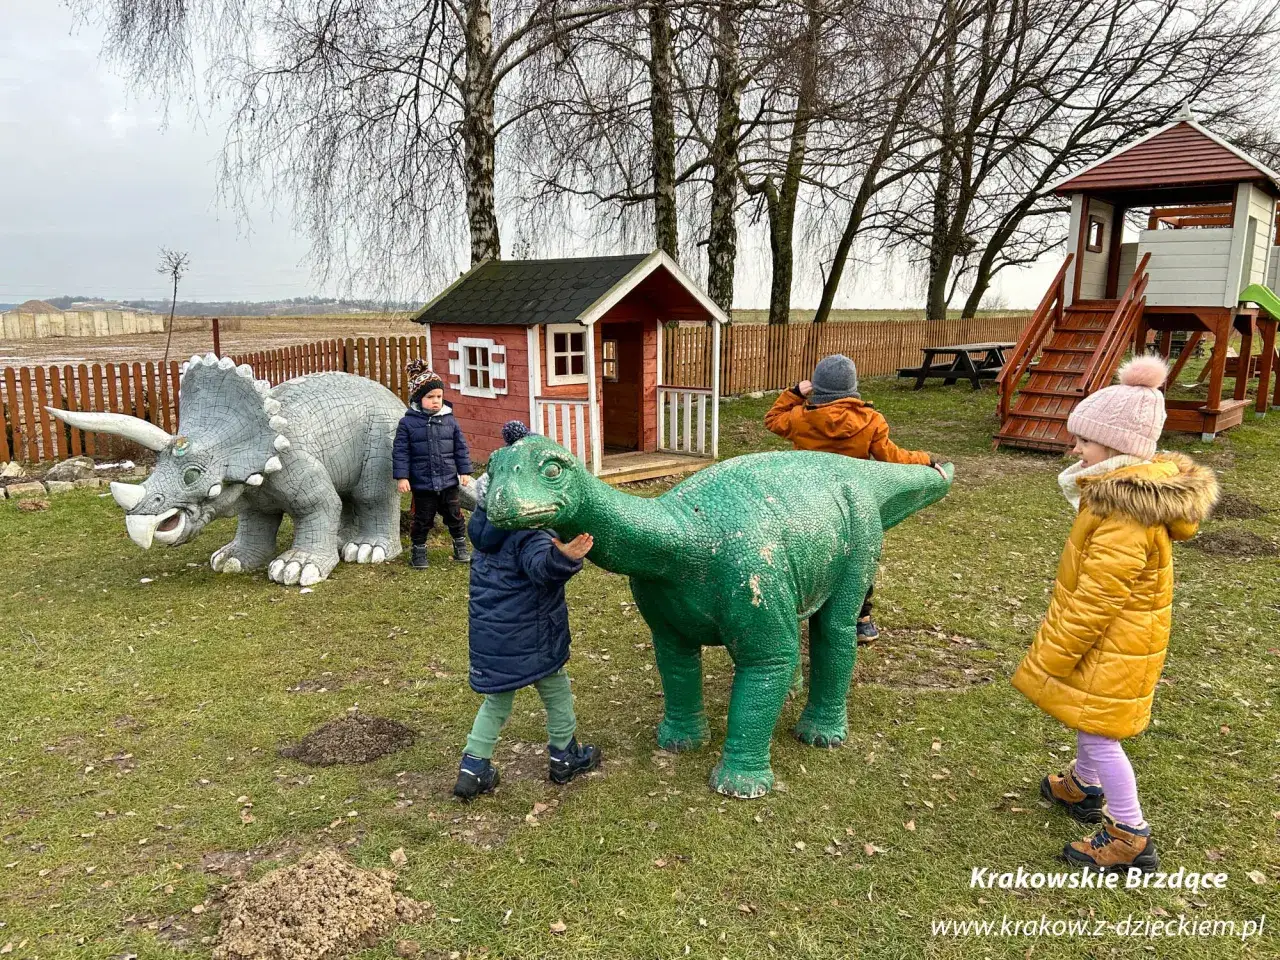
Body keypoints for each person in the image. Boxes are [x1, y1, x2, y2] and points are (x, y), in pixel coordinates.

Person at [1012, 355, 1217, 873]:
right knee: (1090, 717)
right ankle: (1084, 788)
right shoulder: (1121, 496)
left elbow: (1098, 598)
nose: (1074, 448)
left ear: (1117, 447)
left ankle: (1129, 832)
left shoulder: (1123, 512)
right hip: (1116, 640)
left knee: (1099, 733)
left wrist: (1056, 650)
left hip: (1111, 641)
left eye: (1084, 440)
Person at [453, 420, 602, 800]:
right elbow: (540, 566)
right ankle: (564, 757)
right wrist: (562, 557)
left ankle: (473, 766)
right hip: (534, 636)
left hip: (492, 637)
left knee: (497, 701)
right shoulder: (530, 530)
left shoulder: (485, 531)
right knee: (556, 691)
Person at [764, 353, 946, 641]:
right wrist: (925, 459)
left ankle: (802, 608)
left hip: (809, 503)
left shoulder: (799, 418)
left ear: (818, 387)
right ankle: (862, 619)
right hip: (851, 505)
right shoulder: (872, 421)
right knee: (859, 557)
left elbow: (772, 419)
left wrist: (795, 393)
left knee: (808, 554)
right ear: (852, 387)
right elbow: (892, 457)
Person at [393, 360, 473, 569]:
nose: (436, 401)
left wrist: (464, 471)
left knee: (455, 516)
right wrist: (402, 477)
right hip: (422, 484)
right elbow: (401, 451)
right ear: (418, 399)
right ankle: (418, 551)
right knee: (422, 519)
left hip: (448, 481)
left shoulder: (449, 420)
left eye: (439, 396)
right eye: (430, 397)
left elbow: (460, 448)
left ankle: (460, 546)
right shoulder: (407, 423)